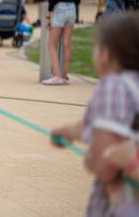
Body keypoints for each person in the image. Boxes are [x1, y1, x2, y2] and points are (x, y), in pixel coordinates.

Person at [50, 12, 139, 216]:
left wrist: (91, 158)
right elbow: (113, 121)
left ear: (106, 54)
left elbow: (105, 164)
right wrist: (71, 131)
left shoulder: (114, 87)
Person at [42, 0, 81, 85]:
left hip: (59, 10)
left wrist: (48, 17)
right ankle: (64, 75)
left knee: (51, 44)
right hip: (71, 9)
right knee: (66, 44)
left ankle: (57, 76)